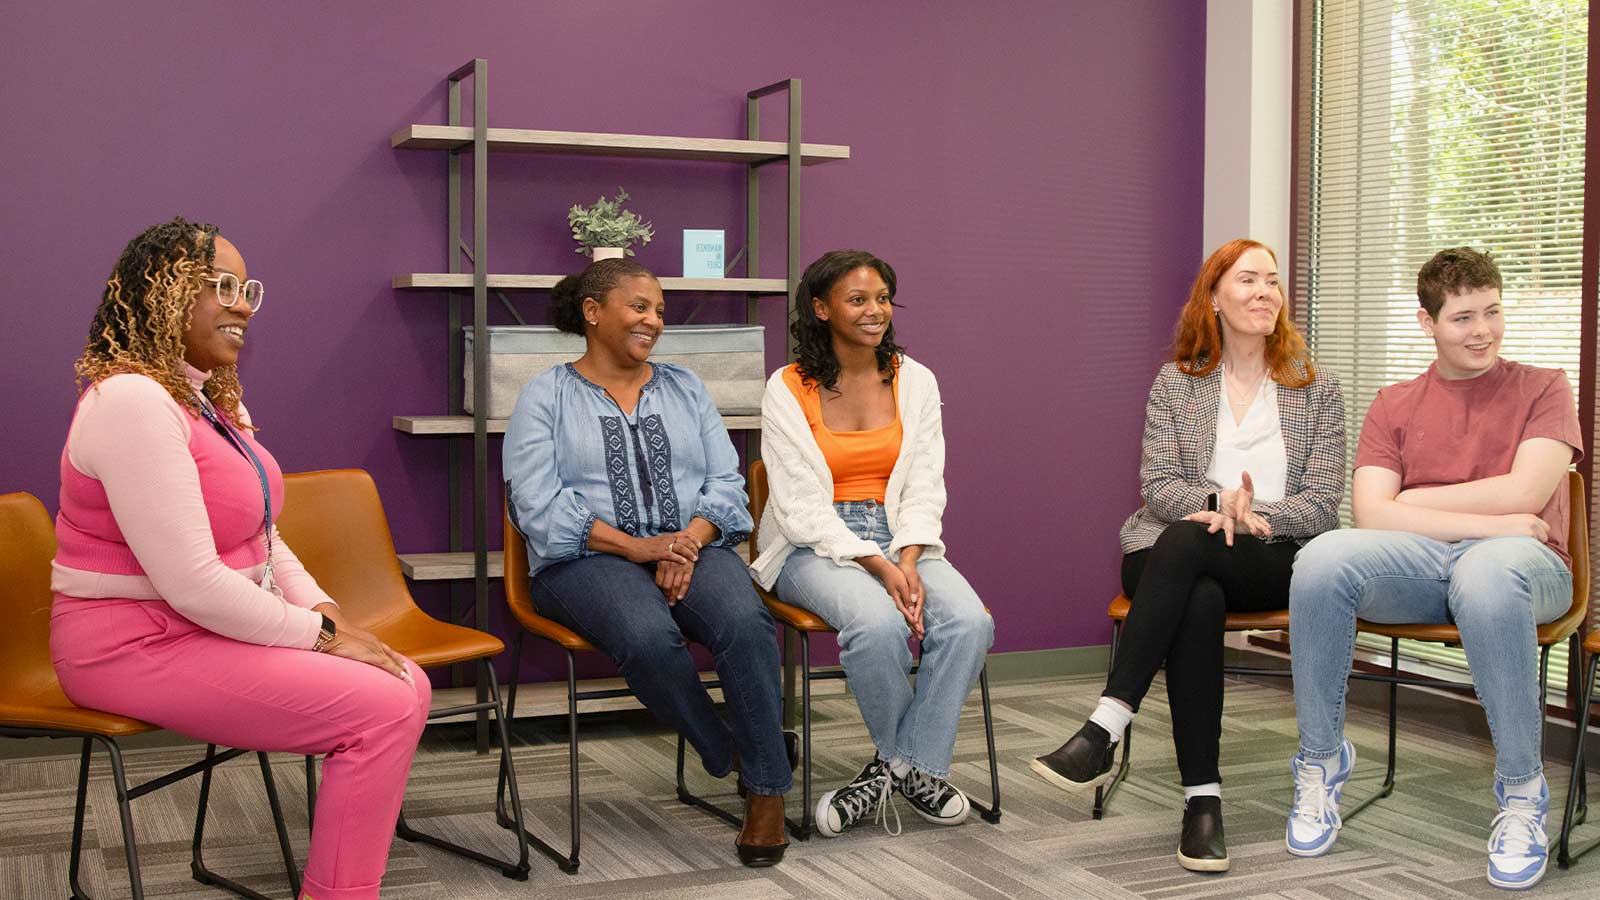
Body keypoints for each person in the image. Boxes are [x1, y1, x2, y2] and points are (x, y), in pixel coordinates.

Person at [51, 217, 427, 900]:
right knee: (385, 705)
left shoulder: (206, 398)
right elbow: (192, 583)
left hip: (198, 629)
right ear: (161, 294)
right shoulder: (132, 401)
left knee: (403, 683)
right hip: (126, 645)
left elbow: (265, 536)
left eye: (246, 287)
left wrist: (325, 613)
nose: (244, 304)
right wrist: (323, 639)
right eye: (220, 286)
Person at [1031, 239, 1346, 873]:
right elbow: (1159, 485)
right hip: (1170, 547)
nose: (1264, 292)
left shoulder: (1317, 387)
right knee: (1194, 587)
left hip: (1272, 556)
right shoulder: (1179, 382)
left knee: (1191, 548)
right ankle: (1203, 803)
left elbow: (1322, 504)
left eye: (1273, 282)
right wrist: (1215, 499)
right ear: (1215, 298)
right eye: (1248, 280)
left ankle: (1107, 724)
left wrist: (1250, 516)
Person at [1284, 247, 1580, 891]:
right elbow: (1368, 513)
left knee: (1485, 574)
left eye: (1493, 312)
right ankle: (1320, 761)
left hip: (1530, 567)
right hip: (1432, 563)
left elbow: (1526, 496)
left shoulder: (1544, 387)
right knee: (1320, 559)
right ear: (1427, 322)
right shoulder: (1395, 403)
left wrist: (1414, 503)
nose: (1483, 331)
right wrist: (1491, 519)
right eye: (1464, 317)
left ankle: (1524, 789)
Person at [503, 257, 792, 866]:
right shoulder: (545, 395)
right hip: (581, 560)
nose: (653, 321)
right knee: (647, 635)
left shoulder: (684, 387)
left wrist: (686, 539)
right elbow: (536, 504)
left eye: (658, 310)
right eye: (639, 307)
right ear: (593, 312)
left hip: (691, 545)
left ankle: (766, 796)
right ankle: (726, 749)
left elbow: (725, 481)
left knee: (746, 624)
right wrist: (637, 547)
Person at [750, 249, 995, 839]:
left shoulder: (916, 379)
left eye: (882, 298)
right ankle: (916, 770)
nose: (874, 310)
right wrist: (879, 567)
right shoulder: (787, 388)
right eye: (857, 299)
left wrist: (906, 556)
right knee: (878, 625)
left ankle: (894, 768)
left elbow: (925, 481)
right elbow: (800, 507)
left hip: (903, 536)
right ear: (821, 308)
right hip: (811, 546)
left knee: (969, 622)